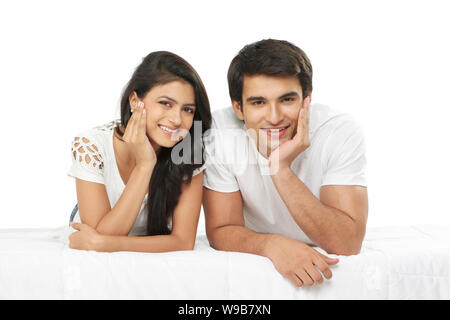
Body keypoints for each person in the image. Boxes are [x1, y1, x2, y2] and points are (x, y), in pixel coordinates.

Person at [203, 39, 368, 287]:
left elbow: (347, 243)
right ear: (238, 107)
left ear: (307, 99)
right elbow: (221, 229)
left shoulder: (339, 131)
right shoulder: (218, 133)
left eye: (287, 100)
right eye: (258, 102)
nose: (274, 117)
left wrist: (280, 169)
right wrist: (272, 245)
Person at [67, 51, 211, 252]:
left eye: (187, 109)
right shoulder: (91, 145)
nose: (177, 120)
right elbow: (95, 237)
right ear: (135, 101)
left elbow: (182, 241)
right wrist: (144, 166)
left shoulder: (189, 150)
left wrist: (103, 243)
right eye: (165, 103)